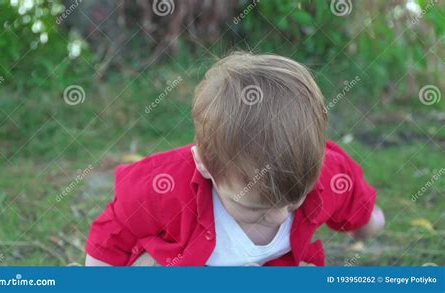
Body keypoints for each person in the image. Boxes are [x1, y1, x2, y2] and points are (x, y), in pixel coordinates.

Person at [85, 52, 385, 266]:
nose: (280, 216)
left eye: (294, 201)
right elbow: (111, 237)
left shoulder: (326, 176)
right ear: (204, 164)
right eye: (256, 208)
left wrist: (368, 223)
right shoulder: (162, 188)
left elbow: (354, 199)